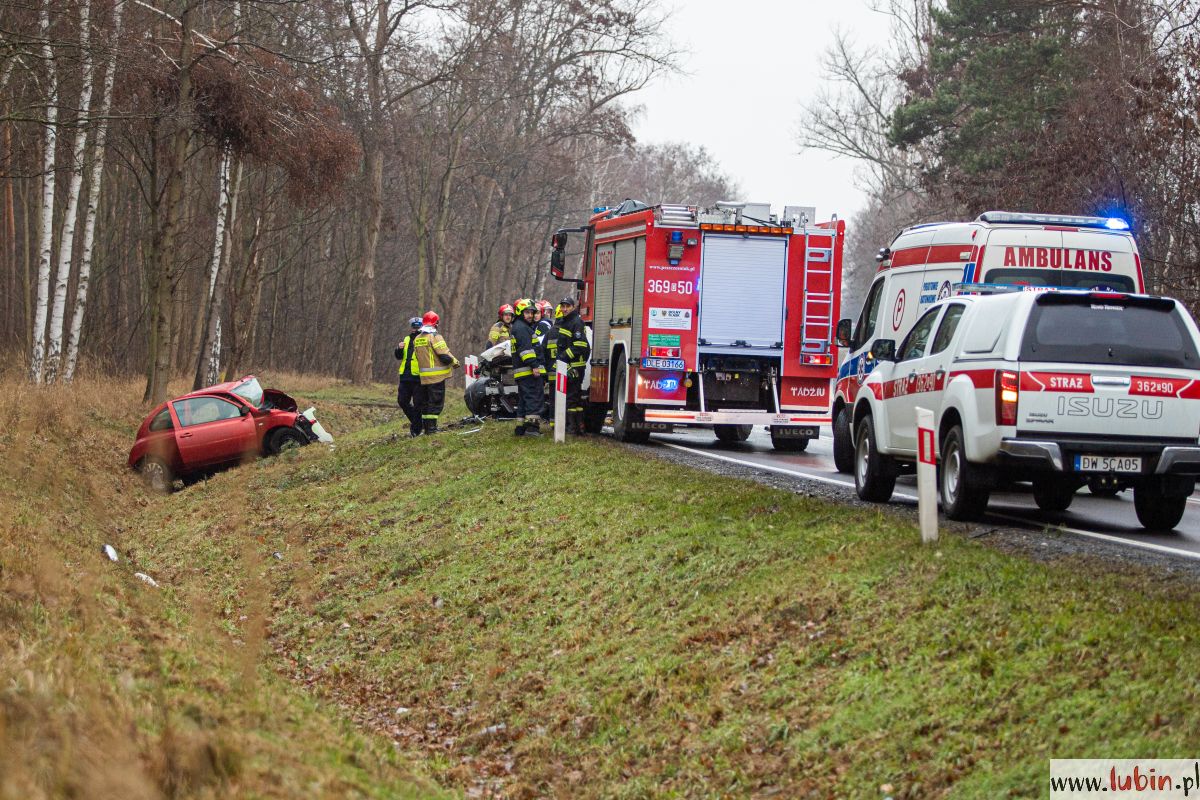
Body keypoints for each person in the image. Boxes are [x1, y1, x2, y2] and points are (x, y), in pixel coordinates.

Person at [413, 310, 459, 434]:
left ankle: (427, 428)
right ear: (436, 323)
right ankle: (432, 429)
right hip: (436, 377)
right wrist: (455, 362)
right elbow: (444, 355)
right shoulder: (435, 336)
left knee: (426, 403)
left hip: (424, 378)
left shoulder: (417, 338)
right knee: (436, 403)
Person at [509, 298, 545, 436]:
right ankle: (532, 428)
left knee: (524, 399)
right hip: (528, 371)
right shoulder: (522, 328)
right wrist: (535, 365)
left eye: (532, 312)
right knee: (533, 398)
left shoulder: (519, 326)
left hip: (522, 372)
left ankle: (521, 427)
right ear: (520, 312)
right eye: (527, 312)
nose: (530, 315)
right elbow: (526, 350)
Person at [555, 296, 590, 435]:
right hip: (568, 365)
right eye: (562, 306)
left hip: (574, 366)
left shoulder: (576, 322)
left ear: (573, 307)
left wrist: (563, 356)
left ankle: (572, 428)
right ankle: (577, 427)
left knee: (571, 397)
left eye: (567, 306)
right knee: (574, 397)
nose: (564, 309)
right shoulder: (566, 321)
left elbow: (580, 345)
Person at [394, 316, 423, 437]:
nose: (415, 329)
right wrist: (398, 349)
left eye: (417, 327)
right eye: (413, 327)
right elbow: (399, 356)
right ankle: (418, 423)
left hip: (418, 377)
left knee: (418, 404)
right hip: (405, 377)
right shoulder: (405, 340)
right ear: (410, 327)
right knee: (402, 401)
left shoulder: (425, 339)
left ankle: (416, 429)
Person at [534, 300, 555, 420]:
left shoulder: (544, 325)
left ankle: (542, 412)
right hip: (542, 361)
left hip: (543, 361)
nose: (547, 314)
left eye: (538, 313)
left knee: (541, 389)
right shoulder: (537, 325)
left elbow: (539, 342)